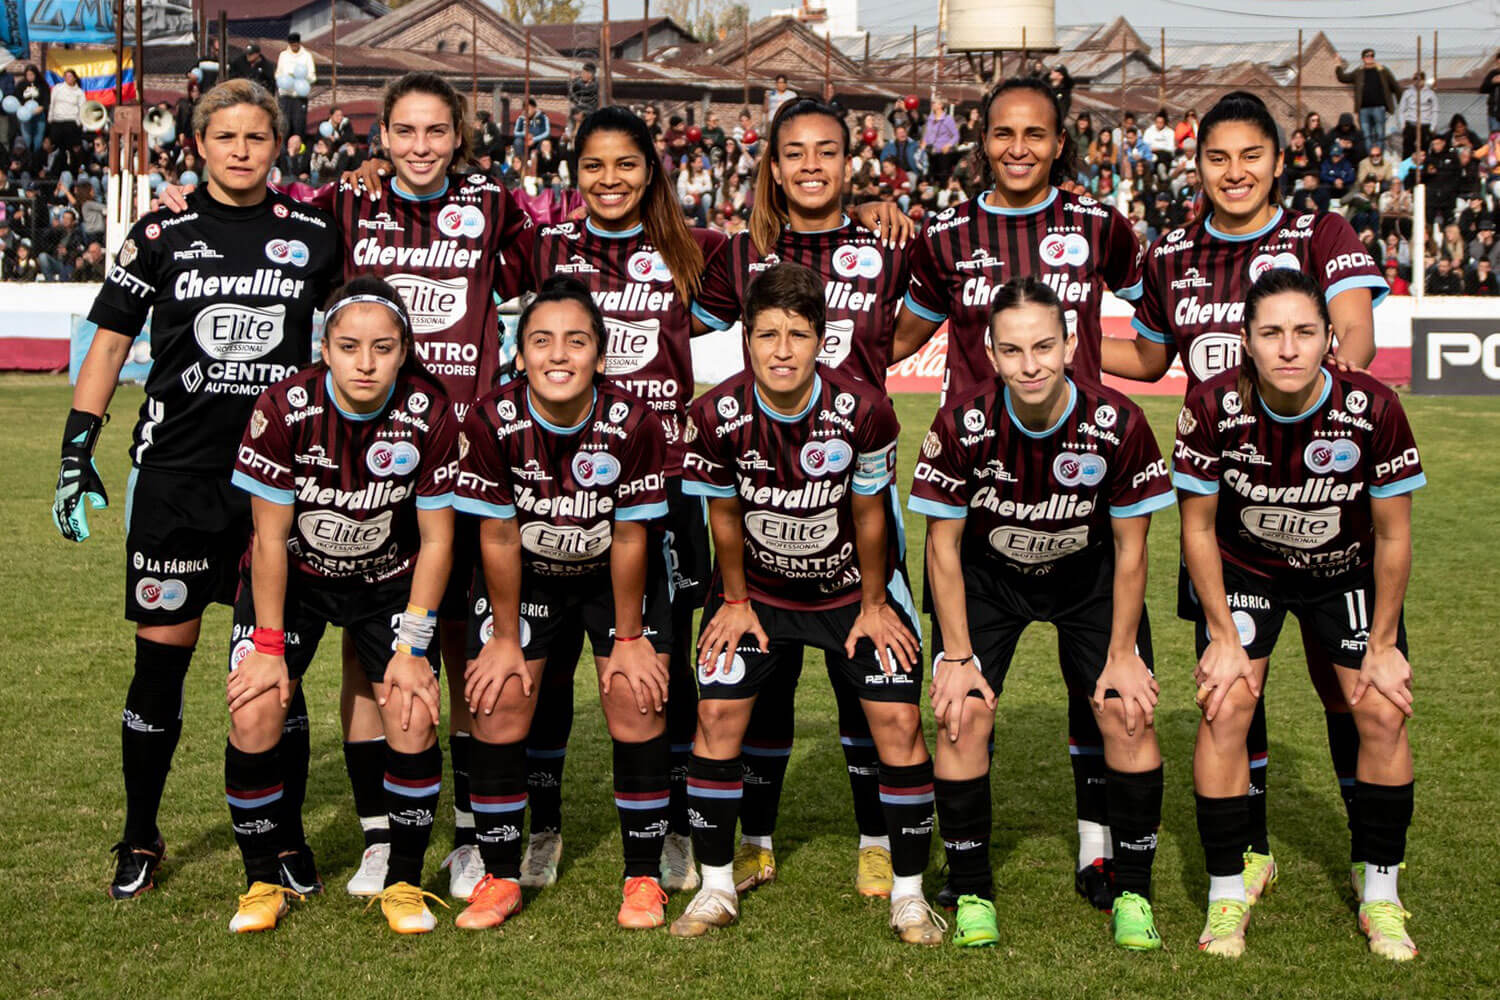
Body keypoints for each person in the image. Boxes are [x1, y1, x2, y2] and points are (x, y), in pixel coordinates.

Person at [53, 79, 340, 901]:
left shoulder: (317, 234)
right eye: (226, 137)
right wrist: (78, 453)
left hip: (278, 490)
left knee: (270, 671)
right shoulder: (162, 232)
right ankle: (139, 836)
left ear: (278, 144)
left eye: (257, 137)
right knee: (159, 673)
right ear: (200, 145)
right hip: (176, 485)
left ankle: (282, 839)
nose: (242, 150)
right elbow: (108, 343)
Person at [1104, 94, 1388, 907]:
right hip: (1224, 516)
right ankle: (1251, 850)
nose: (1235, 173)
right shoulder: (1172, 253)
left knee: (1346, 686)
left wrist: (1319, 428)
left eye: (1250, 156)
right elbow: (1155, 355)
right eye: (1217, 158)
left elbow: (1355, 343)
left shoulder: (1321, 235)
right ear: (1196, 166)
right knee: (1234, 682)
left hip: (1325, 498)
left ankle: (1370, 855)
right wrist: (1074, 346)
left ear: (1278, 160)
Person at [892, 79, 1145, 914]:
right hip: (981, 499)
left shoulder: (1100, 224)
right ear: (982, 140)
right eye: (1003, 133)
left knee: (1102, 694)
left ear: (1061, 141)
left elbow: (1162, 324)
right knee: (961, 705)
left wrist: (1113, 381)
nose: (1018, 148)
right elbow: (898, 334)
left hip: (1081, 494)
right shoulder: (945, 233)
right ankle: (969, 885)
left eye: (1036, 134)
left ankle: (1097, 848)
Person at [672, 262, 942, 946]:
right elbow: (725, 516)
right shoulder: (713, 414)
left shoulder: (866, 411)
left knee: (899, 723)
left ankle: (909, 896)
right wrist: (734, 601)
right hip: (758, 593)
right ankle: (715, 887)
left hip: (852, 590)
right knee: (716, 710)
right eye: (767, 335)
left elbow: (869, 511)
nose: (782, 349)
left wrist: (876, 605)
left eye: (797, 334)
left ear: (822, 338)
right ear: (746, 340)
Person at [690, 97, 917, 900]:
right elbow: (669, 315)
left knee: (870, 677)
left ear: (849, 162)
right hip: (757, 498)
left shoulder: (885, 242)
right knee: (764, 679)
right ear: (774, 164)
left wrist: (865, 380)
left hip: (853, 499)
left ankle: (877, 840)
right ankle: (753, 841)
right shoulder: (737, 252)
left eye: (828, 150)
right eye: (796, 152)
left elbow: (916, 328)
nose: (812, 165)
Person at [910, 277, 1173, 951]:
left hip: (1089, 580)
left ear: (1073, 344)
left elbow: (1132, 547)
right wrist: (959, 659)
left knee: (1127, 708)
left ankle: (1134, 892)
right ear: (990, 355)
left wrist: (1122, 655)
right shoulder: (960, 424)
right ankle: (971, 890)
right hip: (988, 580)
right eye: (1013, 350)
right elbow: (940, 550)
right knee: (961, 712)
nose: (1030, 365)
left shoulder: (1119, 423)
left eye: (1044, 346)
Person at [1174, 267, 1423, 962]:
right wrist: (1222, 635)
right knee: (1225, 704)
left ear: (1328, 340)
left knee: (1379, 706)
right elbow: (1196, 529)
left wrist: (1382, 644)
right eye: (1271, 333)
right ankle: (1228, 893)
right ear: (1246, 343)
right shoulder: (1211, 404)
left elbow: (1396, 536)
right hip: (1246, 569)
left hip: (1345, 569)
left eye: (1304, 332)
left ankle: (1380, 894)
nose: (1288, 348)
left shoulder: (1372, 405)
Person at [224, 277, 456, 934]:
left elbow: (438, 538)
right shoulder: (283, 408)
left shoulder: (430, 410)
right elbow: (268, 537)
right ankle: (261, 882)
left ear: (404, 349)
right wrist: (268, 649)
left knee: (411, 711)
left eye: (382, 347)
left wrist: (413, 647)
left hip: (387, 581)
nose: (364, 361)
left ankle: (404, 886)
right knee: (257, 709)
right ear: (325, 347)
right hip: (292, 582)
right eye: (349, 345)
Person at [452, 276, 674, 931]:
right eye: (541, 340)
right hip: (529, 578)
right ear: (519, 355)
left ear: (601, 358)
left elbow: (633, 535)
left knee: (636, 697)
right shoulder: (491, 417)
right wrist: (504, 638)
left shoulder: (634, 420)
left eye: (576, 341)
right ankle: (499, 877)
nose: (558, 354)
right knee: (496, 697)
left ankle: (643, 878)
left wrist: (630, 638)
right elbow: (496, 533)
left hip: (614, 578)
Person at [1336, 49, 1400, 152]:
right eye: (1367, 56)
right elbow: (1344, 78)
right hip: (1363, 109)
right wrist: (1339, 66)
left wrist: (1400, 104)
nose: (1370, 57)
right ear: (1362, 58)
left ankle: (1379, 156)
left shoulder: (1382, 71)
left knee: (1380, 135)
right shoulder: (1359, 72)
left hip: (1379, 108)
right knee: (1366, 135)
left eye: (1372, 55)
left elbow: (1395, 86)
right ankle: (1370, 157)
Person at [275, 33, 315, 142]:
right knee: (285, 124)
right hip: (286, 95)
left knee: (299, 125)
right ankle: (283, 151)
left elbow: (312, 76)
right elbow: (278, 73)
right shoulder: (283, 55)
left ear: (299, 43)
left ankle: (299, 151)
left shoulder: (307, 56)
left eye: (295, 44)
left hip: (299, 95)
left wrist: (301, 79)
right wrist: (287, 79)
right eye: (291, 44)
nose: (294, 46)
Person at [1398, 72, 1437, 160]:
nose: (1417, 82)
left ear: (1423, 80)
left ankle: (1423, 170)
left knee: (1424, 150)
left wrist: (1432, 127)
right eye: (1415, 79)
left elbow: (1435, 110)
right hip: (1411, 124)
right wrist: (1403, 125)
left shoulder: (1430, 94)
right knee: (1408, 151)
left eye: (1420, 80)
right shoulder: (1407, 93)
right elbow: (1401, 110)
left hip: (1425, 125)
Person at [47, 68, 85, 154]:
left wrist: (80, 122)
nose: (68, 78)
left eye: (70, 76)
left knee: (71, 148)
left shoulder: (79, 92)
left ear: (75, 78)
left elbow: (82, 108)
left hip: (71, 122)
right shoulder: (57, 88)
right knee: (56, 147)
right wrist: (50, 118)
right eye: (66, 76)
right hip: (57, 121)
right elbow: (52, 103)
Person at [923, 99, 960, 184]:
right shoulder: (930, 118)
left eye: (934, 103)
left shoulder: (948, 119)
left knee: (943, 176)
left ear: (941, 105)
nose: (932, 104)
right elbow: (928, 134)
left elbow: (956, 135)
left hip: (943, 152)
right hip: (931, 152)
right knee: (930, 176)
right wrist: (924, 142)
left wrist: (948, 145)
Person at [18, 64, 48, 154]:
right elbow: (16, 98)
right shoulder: (21, 85)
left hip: (39, 115)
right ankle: (27, 159)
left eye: (32, 74)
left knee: (38, 139)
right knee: (26, 138)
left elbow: (46, 99)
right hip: (25, 116)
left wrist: (42, 107)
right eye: (28, 75)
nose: (30, 77)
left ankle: (36, 159)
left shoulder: (42, 85)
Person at [1482, 49, 1500, 135]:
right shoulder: (1493, 74)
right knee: (1495, 137)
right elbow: (1483, 89)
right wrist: (1492, 82)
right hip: (1494, 114)